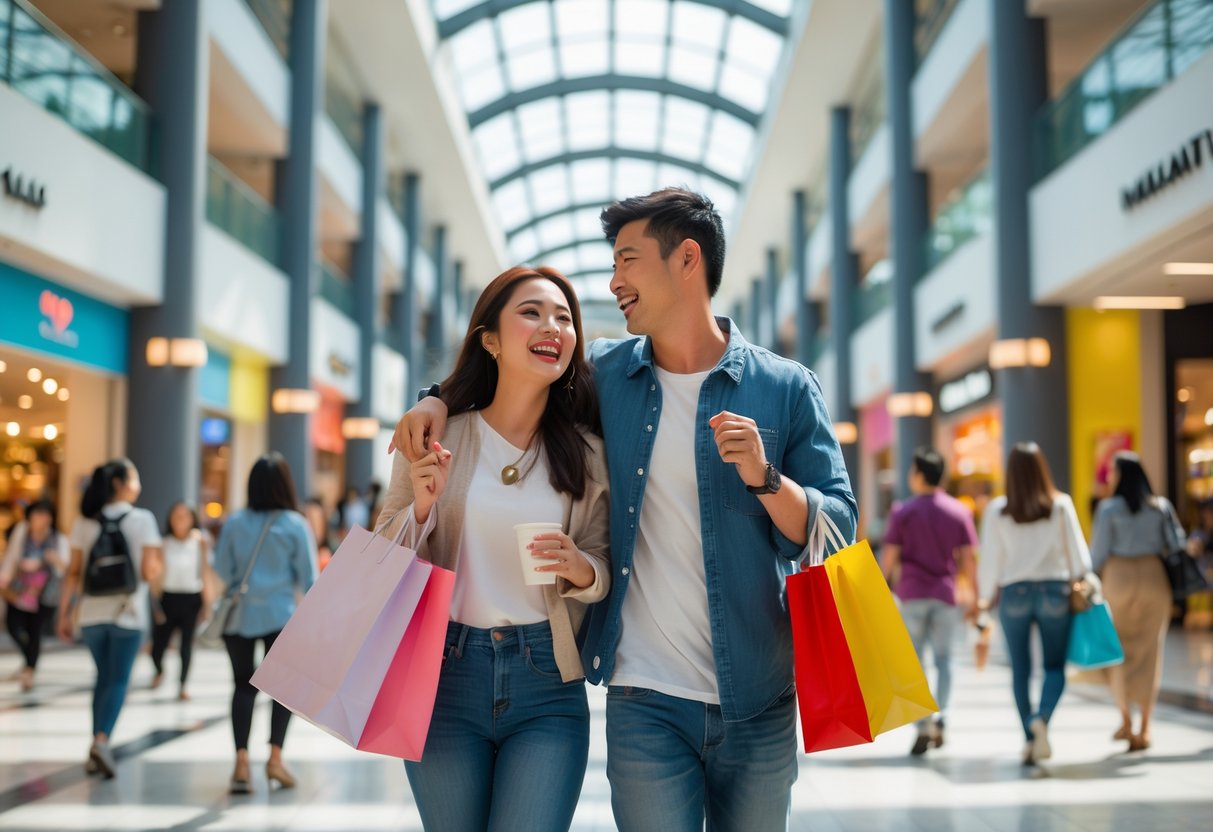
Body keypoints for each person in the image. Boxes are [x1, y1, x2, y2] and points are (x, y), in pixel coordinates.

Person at [394, 189, 856, 831]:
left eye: (627, 261)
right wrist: (434, 399)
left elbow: (838, 533)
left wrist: (765, 476)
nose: (613, 283)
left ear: (686, 259)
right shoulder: (608, 373)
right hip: (644, 699)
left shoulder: (784, 386)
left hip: (757, 695)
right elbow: (517, 374)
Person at [376, 265, 609, 832]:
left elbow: (604, 560)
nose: (551, 325)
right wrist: (424, 507)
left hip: (547, 684)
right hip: (444, 675)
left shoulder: (587, 452)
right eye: (530, 312)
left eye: (563, 317)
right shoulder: (436, 435)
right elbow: (381, 555)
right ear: (490, 340)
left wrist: (581, 569)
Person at [977, 442, 1092, 766]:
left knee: (1020, 671)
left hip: (1014, 594)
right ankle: (1041, 719)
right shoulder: (1060, 505)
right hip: (1055, 592)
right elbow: (1080, 559)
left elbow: (991, 562)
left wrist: (985, 598)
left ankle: (1030, 738)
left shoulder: (998, 511)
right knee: (1054, 667)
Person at [213, 453, 317, 794]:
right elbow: (309, 579)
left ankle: (241, 763)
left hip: (239, 615)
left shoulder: (234, 522)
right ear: (284, 485)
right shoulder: (295, 524)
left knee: (243, 686)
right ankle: (275, 759)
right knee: (281, 690)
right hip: (280, 617)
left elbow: (224, 572)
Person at [57, 459, 163, 778]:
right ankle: (102, 741)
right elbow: (148, 571)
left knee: (102, 678)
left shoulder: (84, 522)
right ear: (120, 483)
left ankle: (95, 743)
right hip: (127, 613)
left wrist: (64, 613)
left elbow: (73, 573)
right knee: (118, 680)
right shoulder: (143, 519)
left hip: (90, 614)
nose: (139, 484)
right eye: (134, 477)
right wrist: (158, 566)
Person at [879, 448, 978, 756]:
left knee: (914, 663)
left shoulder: (902, 511)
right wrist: (975, 596)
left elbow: (889, 556)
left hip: (911, 594)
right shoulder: (959, 511)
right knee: (946, 659)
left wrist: (880, 589)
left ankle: (924, 724)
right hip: (946, 594)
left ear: (920, 475)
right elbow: (968, 559)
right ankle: (943, 717)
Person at [1090, 451, 1184, 752]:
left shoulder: (1108, 509)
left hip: (1118, 578)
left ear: (1120, 475)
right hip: (1154, 577)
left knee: (1118, 651)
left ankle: (1126, 721)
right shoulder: (1160, 507)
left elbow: (1098, 555)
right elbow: (1176, 544)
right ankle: (1145, 727)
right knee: (1150, 651)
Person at [0, 499, 69, 692]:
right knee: (14, 626)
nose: (40, 518)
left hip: (44, 594)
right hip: (19, 589)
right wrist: (3, 581)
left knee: (35, 632)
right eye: (37, 513)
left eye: (44, 514)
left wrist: (53, 558)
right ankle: (29, 659)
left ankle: (30, 669)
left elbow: (66, 569)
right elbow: (12, 556)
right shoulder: (22, 532)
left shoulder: (57, 538)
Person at [150, 501, 210, 700]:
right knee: (158, 646)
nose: (181, 520)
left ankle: (183, 684)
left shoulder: (200, 541)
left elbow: (205, 573)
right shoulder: (163, 543)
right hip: (167, 598)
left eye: (185, 516)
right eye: (176, 516)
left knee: (186, 646)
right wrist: (155, 601)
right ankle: (159, 670)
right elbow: (155, 575)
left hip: (191, 599)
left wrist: (207, 604)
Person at [303, 497, 334, 571]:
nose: (312, 528)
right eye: (309, 520)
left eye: (316, 522)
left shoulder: (333, 553)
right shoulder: (300, 557)